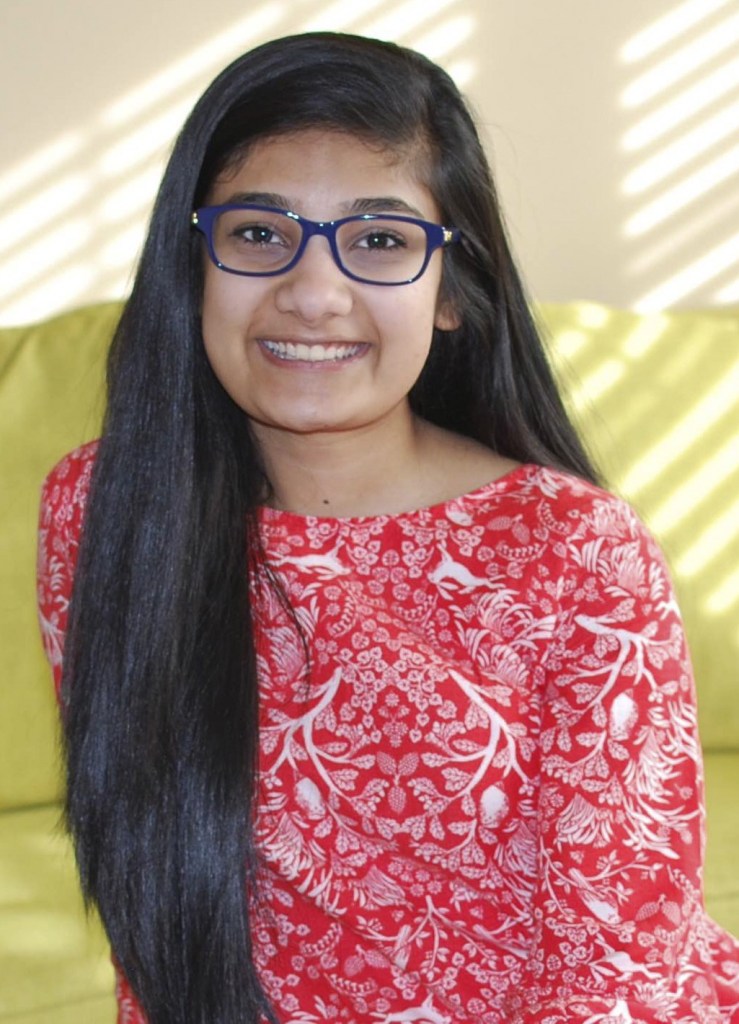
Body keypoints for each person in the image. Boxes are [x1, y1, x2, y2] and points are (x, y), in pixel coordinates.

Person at [36, 30, 739, 1024]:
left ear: (451, 291)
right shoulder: (104, 509)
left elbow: (614, 973)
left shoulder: (574, 549)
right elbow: (155, 905)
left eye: (378, 241)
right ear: (191, 265)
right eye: (257, 233)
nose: (312, 293)